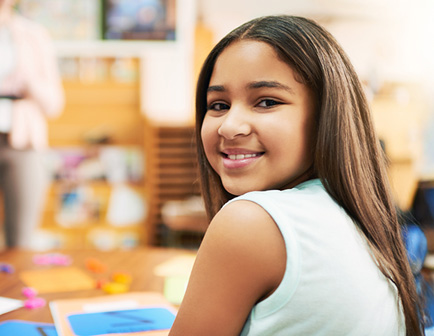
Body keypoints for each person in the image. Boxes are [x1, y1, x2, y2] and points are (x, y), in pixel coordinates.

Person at [169, 15, 424, 335]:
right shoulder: (357, 216)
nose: (230, 126)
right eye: (218, 104)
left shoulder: (249, 223)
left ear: (325, 116)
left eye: (266, 102)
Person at [0, 0, 64, 247]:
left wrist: (28, 83)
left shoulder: (34, 35)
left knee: (21, 240)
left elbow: (54, 104)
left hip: (23, 143)